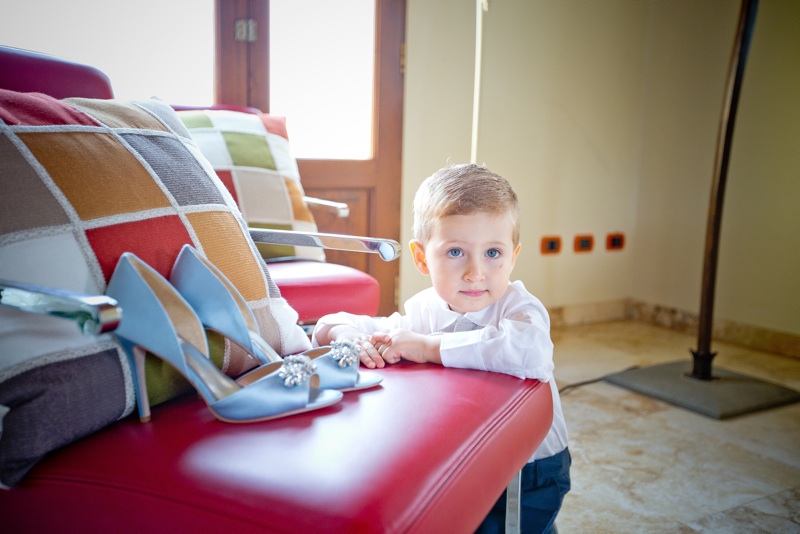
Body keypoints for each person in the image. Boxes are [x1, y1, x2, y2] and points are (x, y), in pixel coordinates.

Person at [312, 163, 570, 533]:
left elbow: (531, 355)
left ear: (513, 256)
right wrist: (340, 333)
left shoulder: (519, 308)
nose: (475, 272)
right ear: (421, 258)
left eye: (493, 253)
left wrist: (429, 347)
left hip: (531, 470)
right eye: (455, 253)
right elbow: (368, 328)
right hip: (470, 464)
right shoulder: (423, 309)